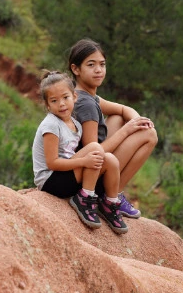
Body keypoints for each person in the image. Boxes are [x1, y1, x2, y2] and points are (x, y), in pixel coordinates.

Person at [68, 38, 157, 223]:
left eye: (102, 64)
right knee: (150, 136)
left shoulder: (87, 96)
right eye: (91, 65)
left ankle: (110, 192)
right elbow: (93, 152)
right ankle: (111, 196)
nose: (99, 70)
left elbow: (123, 109)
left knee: (118, 117)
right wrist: (129, 131)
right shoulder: (86, 104)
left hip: (91, 164)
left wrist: (137, 121)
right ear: (76, 69)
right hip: (87, 173)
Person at [32, 71, 128, 233]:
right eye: (54, 101)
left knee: (110, 159)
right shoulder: (51, 125)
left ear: (74, 97)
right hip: (51, 181)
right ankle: (84, 198)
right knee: (95, 148)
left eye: (65, 97)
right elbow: (52, 163)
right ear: (48, 106)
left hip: (67, 174)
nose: (61, 104)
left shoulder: (75, 123)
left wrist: (86, 161)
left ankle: (110, 203)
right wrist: (84, 162)